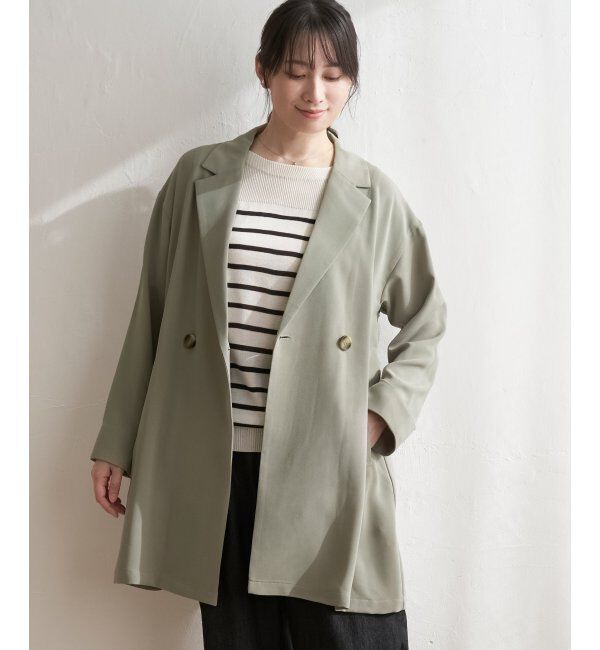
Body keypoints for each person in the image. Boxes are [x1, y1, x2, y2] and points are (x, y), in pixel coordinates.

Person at [90, 1, 447, 648]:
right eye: (296, 72)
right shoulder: (200, 177)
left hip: (324, 463)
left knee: (354, 634)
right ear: (263, 71)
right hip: (218, 468)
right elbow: (153, 313)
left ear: (352, 80)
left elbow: (426, 321)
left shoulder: (373, 197)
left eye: (334, 75)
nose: (316, 93)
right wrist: (117, 440)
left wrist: (379, 415)